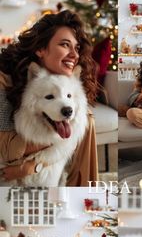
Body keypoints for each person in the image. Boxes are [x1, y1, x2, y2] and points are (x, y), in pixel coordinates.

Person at [0, 9, 98, 185]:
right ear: (40, 49)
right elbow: (7, 150)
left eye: (76, 47)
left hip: (40, 163)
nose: (74, 55)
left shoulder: (66, 78)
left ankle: (83, 192)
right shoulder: (4, 78)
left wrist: (33, 166)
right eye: (64, 44)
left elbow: (71, 130)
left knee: (87, 118)